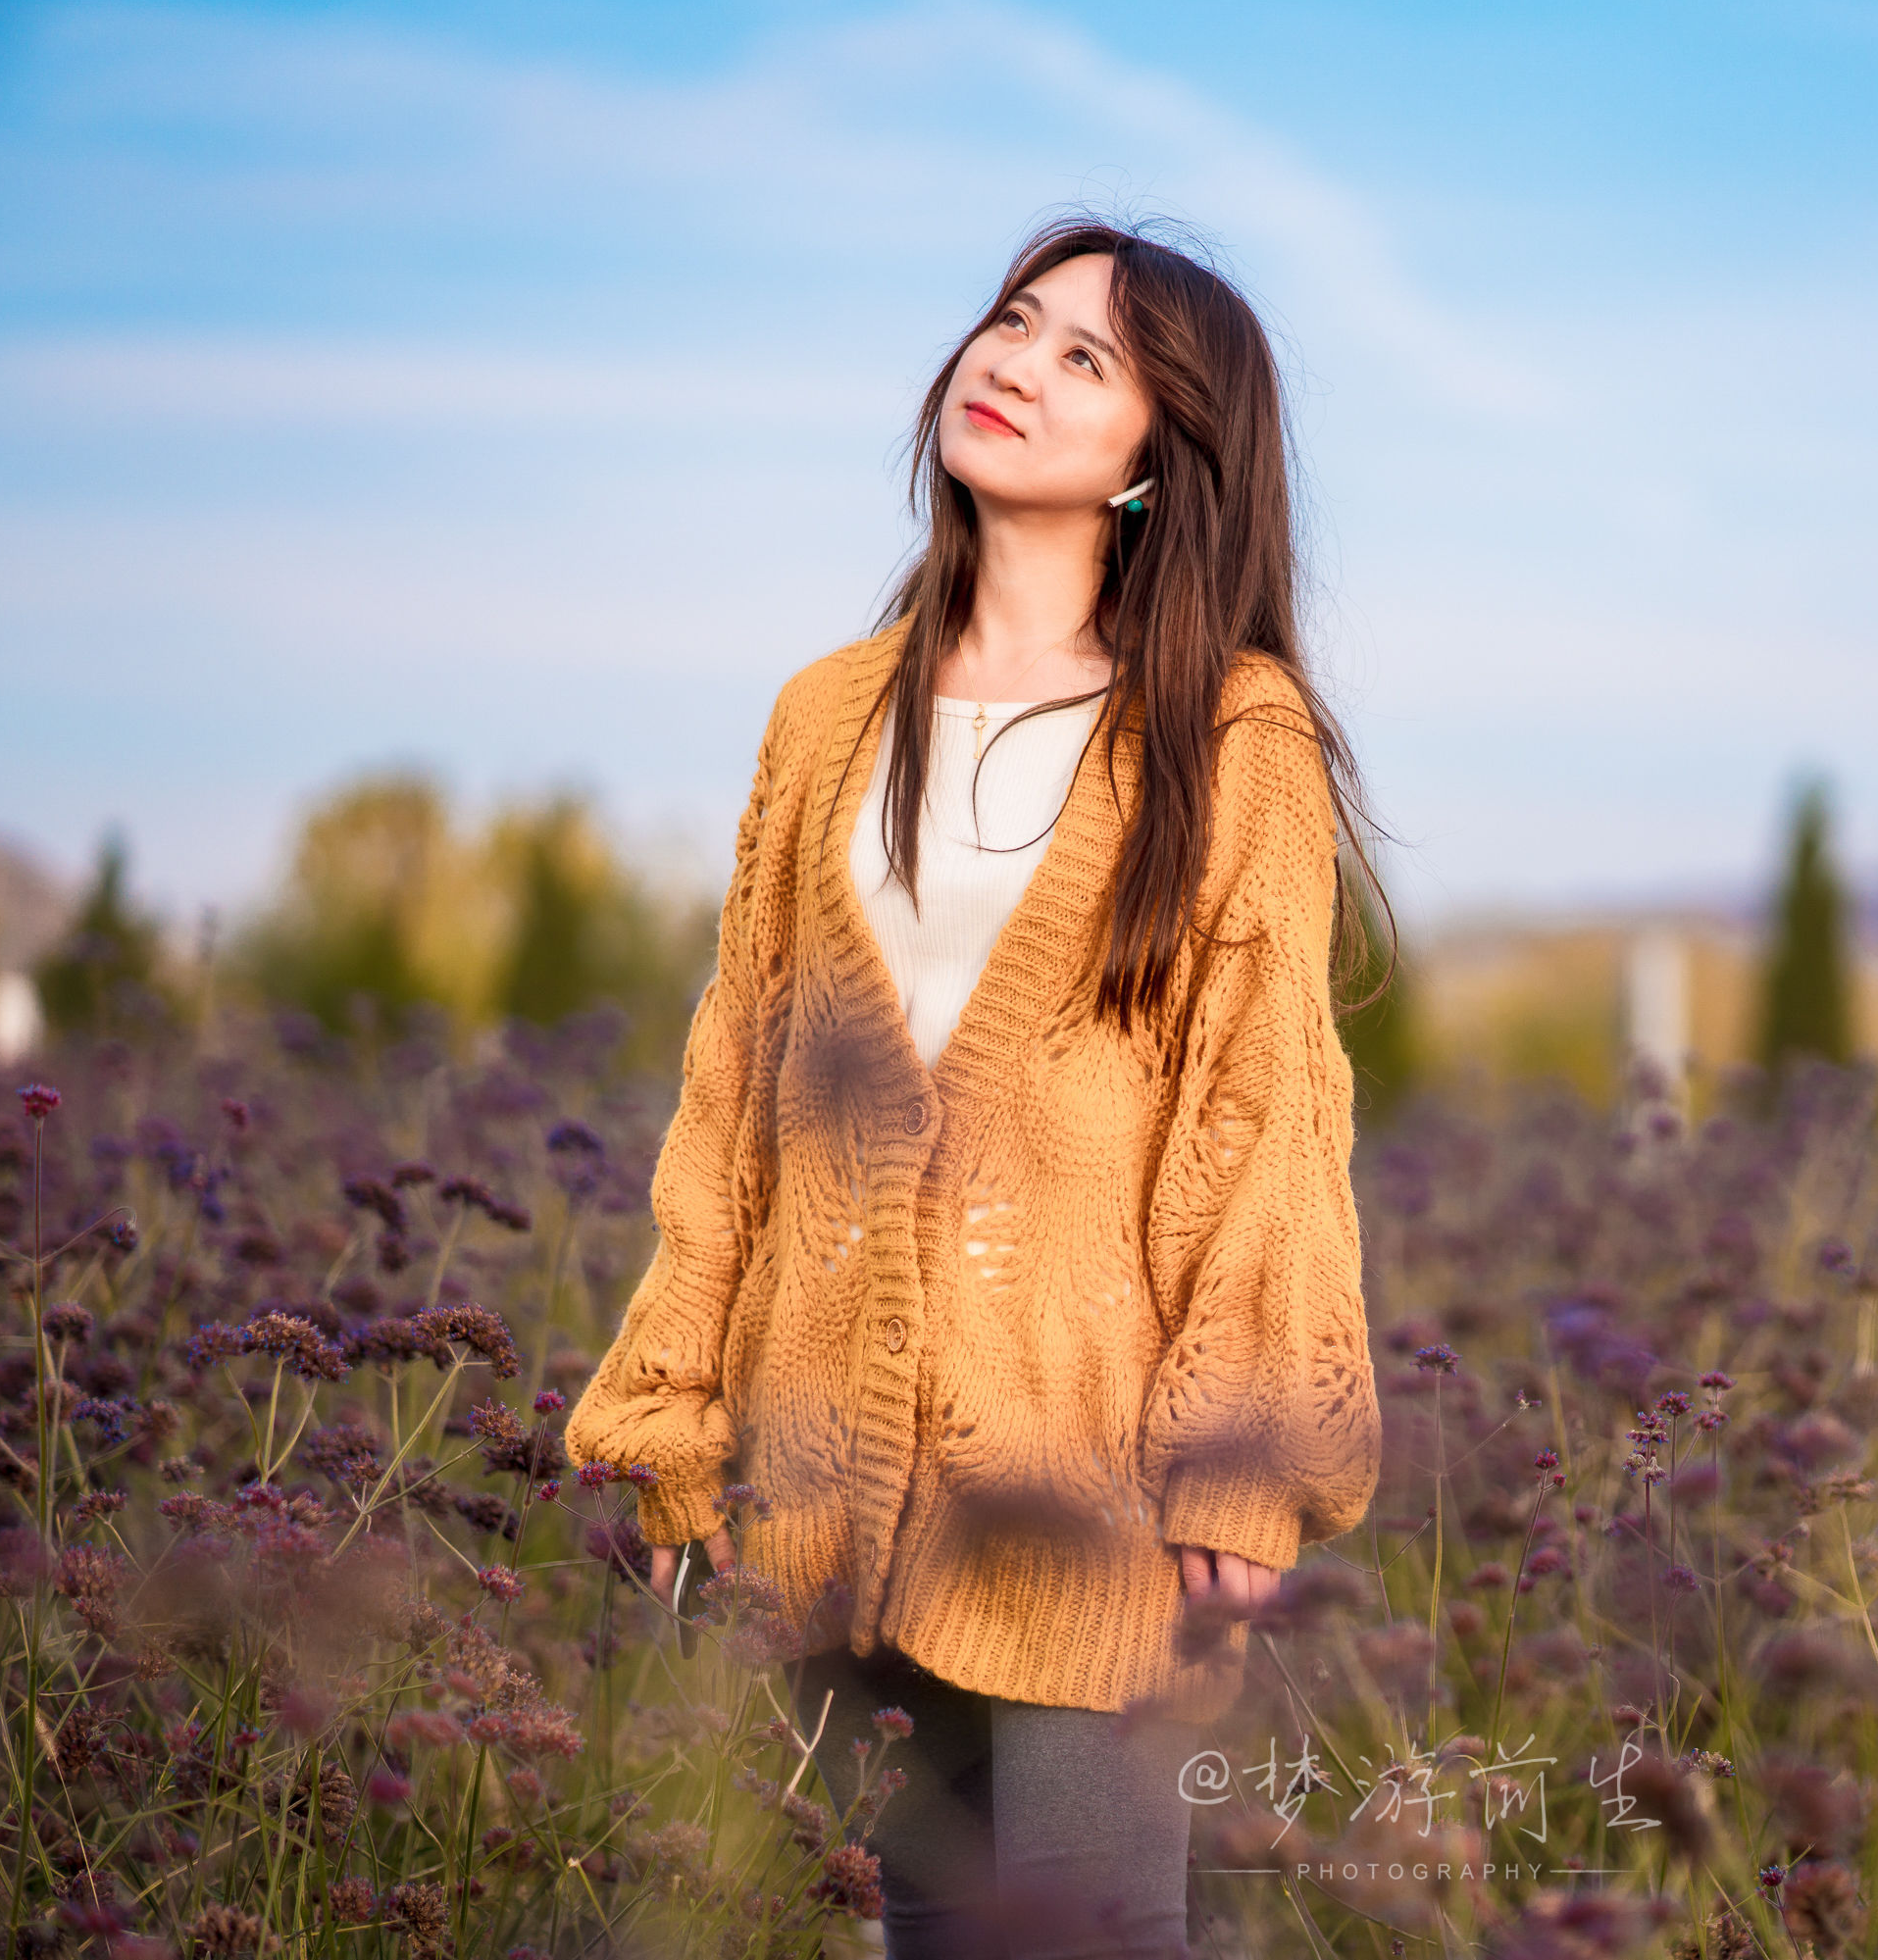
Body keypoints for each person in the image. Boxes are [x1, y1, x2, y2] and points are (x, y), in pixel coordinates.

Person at [563, 215, 1390, 1960]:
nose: (1012, 362)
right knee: (922, 1933)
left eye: (1085, 356)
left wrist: (1243, 1468)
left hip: (1086, 1496)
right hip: (817, 1478)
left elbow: (1267, 1119)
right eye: (1011, 323)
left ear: (1163, 462)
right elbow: (738, 1088)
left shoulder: (1233, 742)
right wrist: (667, 1413)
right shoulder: (824, 715)